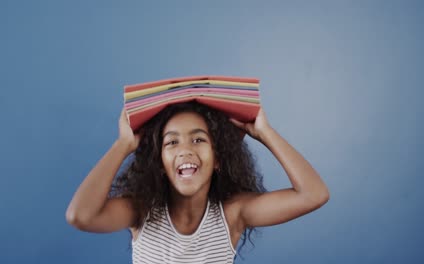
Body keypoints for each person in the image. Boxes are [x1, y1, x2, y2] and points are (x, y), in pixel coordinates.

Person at [66, 101, 330, 263]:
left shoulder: (232, 214)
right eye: (172, 142)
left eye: (198, 139)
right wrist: (123, 145)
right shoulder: (141, 211)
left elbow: (313, 194)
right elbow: (80, 216)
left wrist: (264, 133)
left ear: (218, 159)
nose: (185, 150)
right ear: (159, 163)